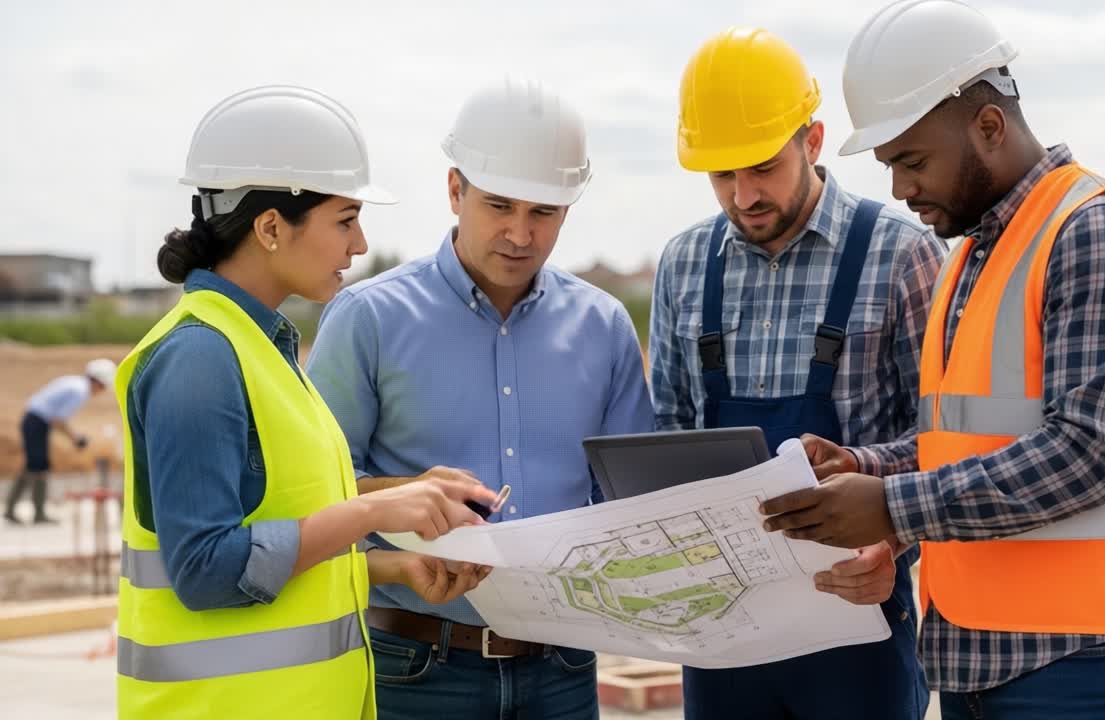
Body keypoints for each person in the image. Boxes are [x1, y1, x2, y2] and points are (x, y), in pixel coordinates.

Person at [761, 1, 1105, 718]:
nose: (901, 190)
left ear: (989, 127)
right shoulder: (976, 253)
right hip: (984, 656)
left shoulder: (1100, 233)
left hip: (1094, 660)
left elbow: (1087, 453)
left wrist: (888, 507)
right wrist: (866, 467)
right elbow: (970, 441)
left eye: (912, 161)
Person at [114, 85, 498, 720]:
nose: (360, 243)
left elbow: (287, 522)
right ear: (270, 227)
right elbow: (208, 569)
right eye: (345, 219)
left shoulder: (260, 347)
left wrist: (393, 564)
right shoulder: (199, 360)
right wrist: (382, 508)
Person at [306, 76, 654, 720]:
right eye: (500, 206)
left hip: (565, 668)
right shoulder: (368, 320)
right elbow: (315, 492)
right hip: (416, 670)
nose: (521, 234)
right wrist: (409, 500)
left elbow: (629, 503)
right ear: (455, 190)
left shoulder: (604, 328)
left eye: (543, 213)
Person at [649, 27, 943, 720]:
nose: (743, 195)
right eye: (722, 175)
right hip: (725, 627)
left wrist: (892, 526)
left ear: (812, 141)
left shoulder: (903, 255)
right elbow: (667, 432)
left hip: (859, 617)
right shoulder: (686, 265)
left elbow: (946, 440)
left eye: (761, 167)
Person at [5, 358, 116, 524]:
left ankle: (16, 509)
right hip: (37, 422)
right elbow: (58, 420)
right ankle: (36, 513)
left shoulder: (74, 383)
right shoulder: (80, 391)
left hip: (34, 420)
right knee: (38, 466)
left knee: (35, 465)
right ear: (99, 382)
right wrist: (76, 438)